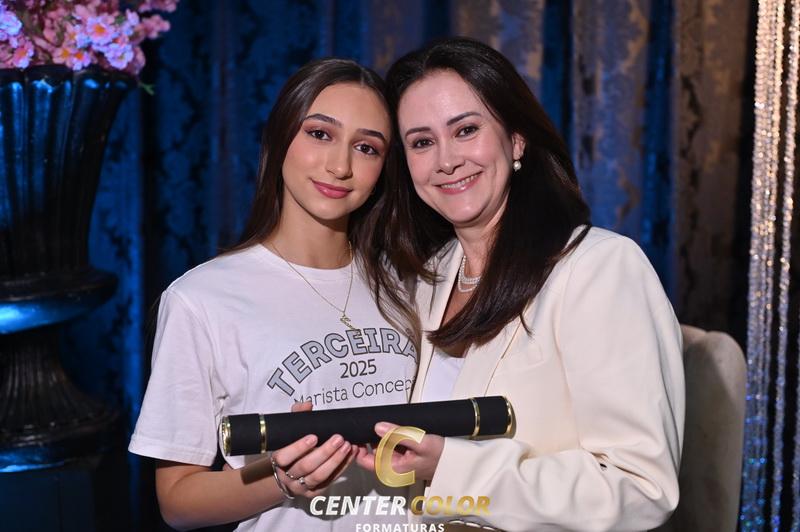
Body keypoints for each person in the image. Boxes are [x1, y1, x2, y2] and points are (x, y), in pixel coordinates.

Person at [359, 37, 685, 531]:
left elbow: (640, 488)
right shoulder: (426, 279)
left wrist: (453, 469)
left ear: (516, 139)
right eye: (422, 142)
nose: (446, 160)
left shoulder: (599, 268)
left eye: (466, 130)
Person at [129, 58, 417, 531]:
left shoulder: (409, 284)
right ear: (280, 137)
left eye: (366, 147)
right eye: (319, 134)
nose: (340, 166)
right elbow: (177, 502)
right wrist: (282, 480)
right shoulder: (201, 298)